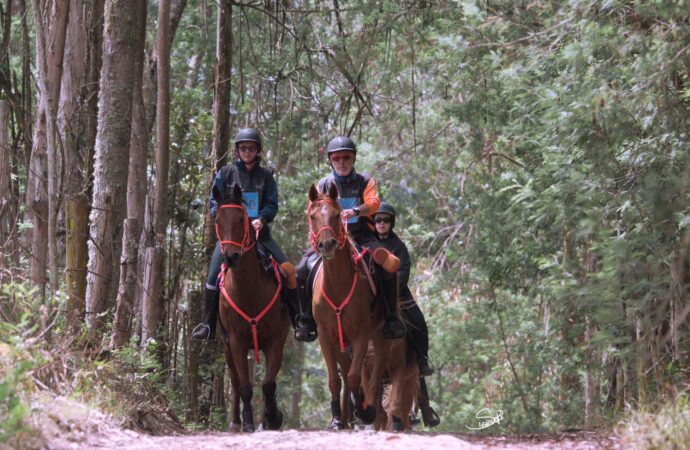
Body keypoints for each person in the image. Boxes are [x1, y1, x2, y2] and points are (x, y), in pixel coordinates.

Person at [293, 135, 405, 342]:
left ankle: (391, 317)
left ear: (353, 159)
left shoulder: (365, 180)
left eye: (346, 157)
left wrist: (354, 211)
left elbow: (373, 203)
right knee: (301, 269)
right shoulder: (323, 184)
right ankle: (306, 319)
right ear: (331, 161)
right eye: (337, 158)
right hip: (330, 237)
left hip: (362, 235)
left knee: (386, 264)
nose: (342, 162)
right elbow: (311, 211)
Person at [192, 128, 298, 340]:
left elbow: (271, 203)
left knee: (288, 271)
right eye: (243, 148)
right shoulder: (225, 172)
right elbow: (215, 201)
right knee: (212, 278)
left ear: (258, 150)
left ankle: (298, 320)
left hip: (260, 234)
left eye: (251, 148)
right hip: (232, 236)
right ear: (237, 150)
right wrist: (222, 217)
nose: (247, 152)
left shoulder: (266, 176)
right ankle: (208, 325)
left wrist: (262, 218)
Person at [374, 202, 433, 376]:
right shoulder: (367, 244)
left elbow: (403, 272)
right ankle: (347, 356)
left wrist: (390, 292)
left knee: (418, 320)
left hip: (397, 293)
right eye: (378, 219)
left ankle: (422, 359)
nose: (381, 223)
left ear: (391, 222)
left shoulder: (399, 246)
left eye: (385, 220)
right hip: (371, 293)